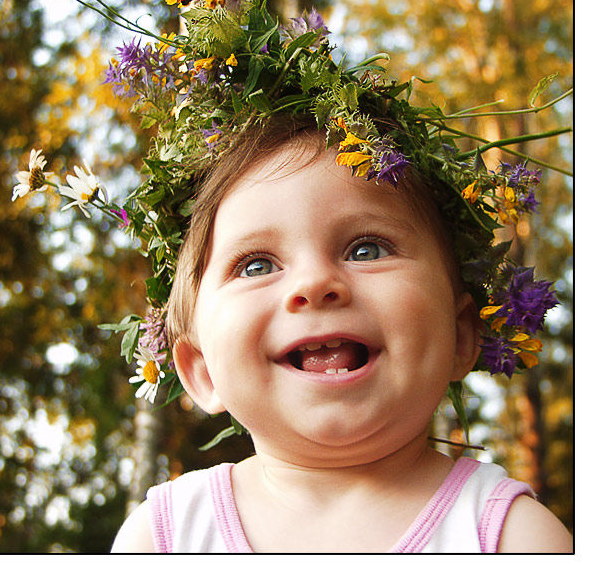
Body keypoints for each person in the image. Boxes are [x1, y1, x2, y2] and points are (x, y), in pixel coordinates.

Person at [111, 120, 573, 553]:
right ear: (202, 370)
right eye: (257, 265)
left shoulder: (511, 539)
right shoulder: (163, 537)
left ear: (459, 336)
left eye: (366, 249)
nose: (315, 283)